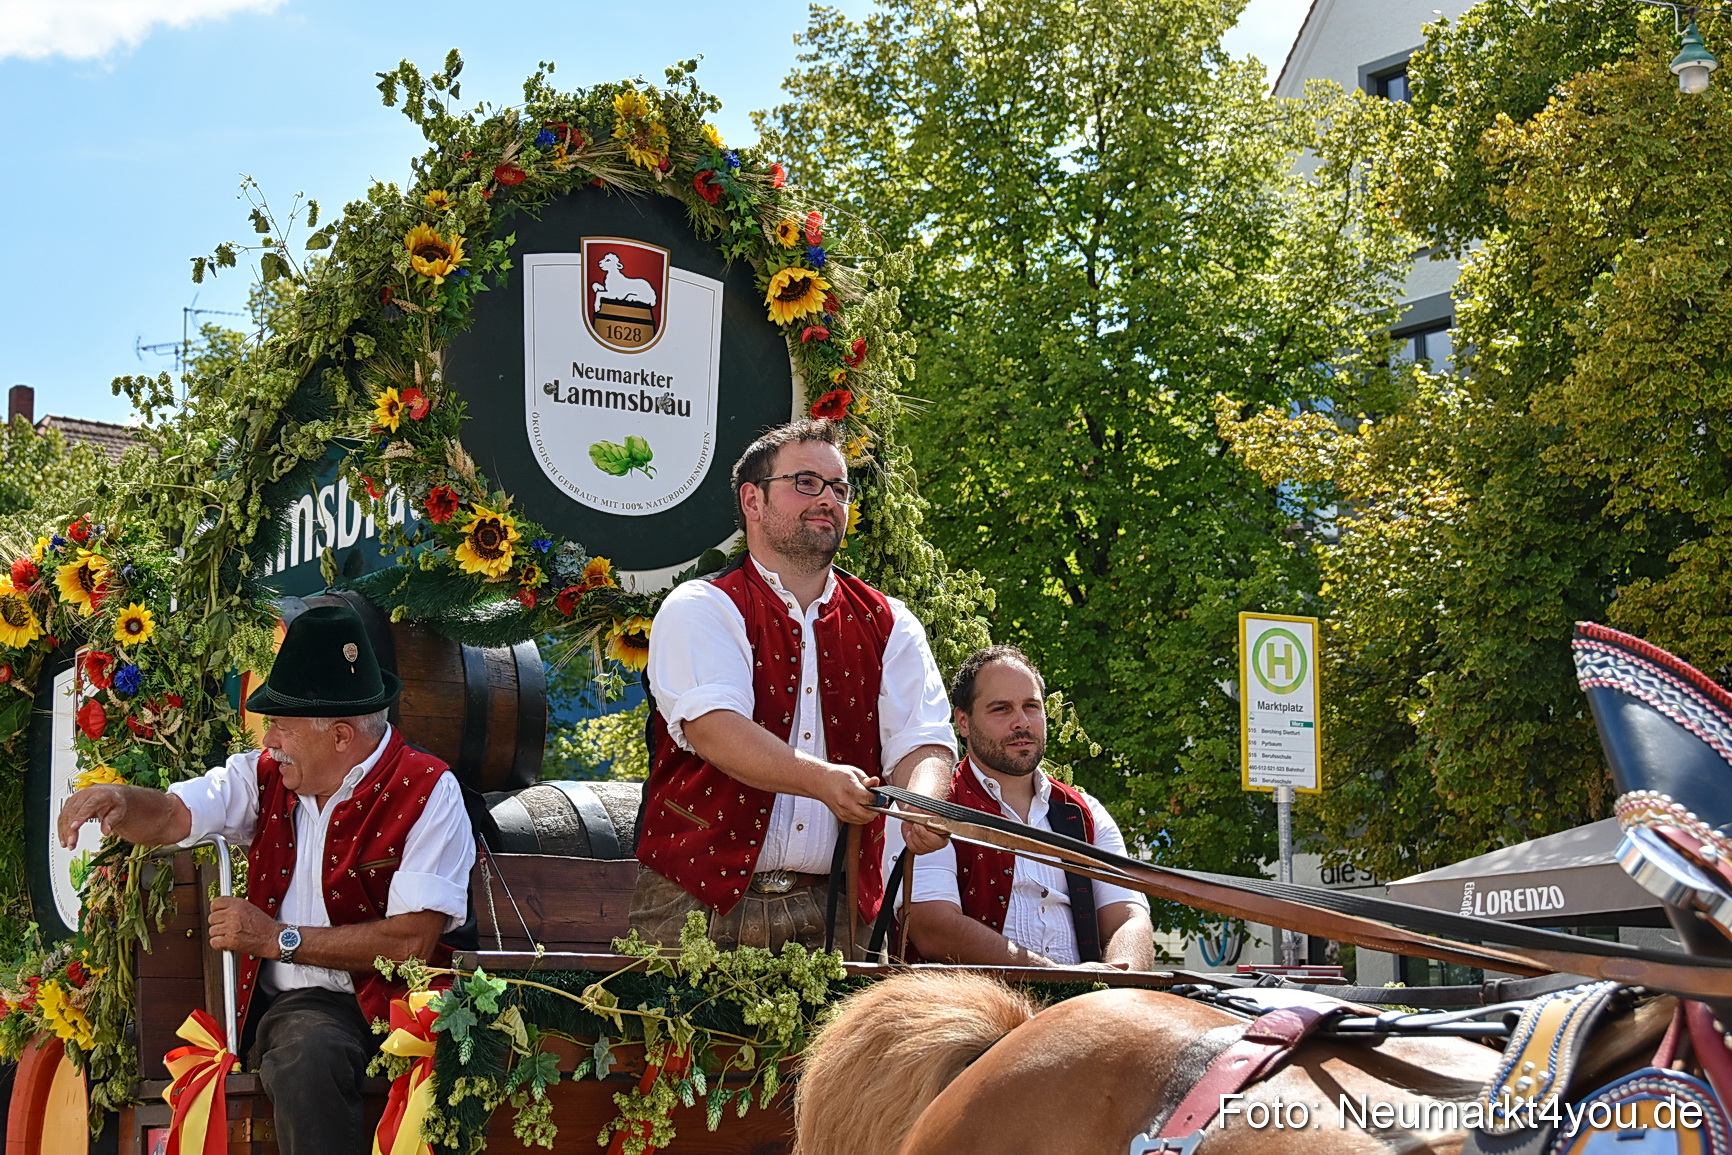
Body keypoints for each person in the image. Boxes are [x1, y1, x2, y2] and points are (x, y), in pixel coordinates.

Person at [56, 604, 476, 1155]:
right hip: (310, 1011)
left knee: (444, 1063)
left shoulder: (429, 788)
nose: (269, 738)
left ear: (342, 736)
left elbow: (410, 943)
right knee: (307, 1047)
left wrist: (275, 938)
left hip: (409, 1004)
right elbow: (174, 816)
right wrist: (118, 799)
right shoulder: (262, 775)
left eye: (282, 723)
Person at [632, 418, 956, 954]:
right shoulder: (703, 606)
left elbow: (922, 739)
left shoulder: (890, 621)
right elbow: (716, 730)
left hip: (839, 905)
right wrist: (823, 780)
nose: (827, 499)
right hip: (695, 899)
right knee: (681, 1044)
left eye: (840, 488)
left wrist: (924, 802)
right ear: (752, 501)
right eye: (806, 482)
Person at [882, 645, 1154, 969]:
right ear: (963, 722)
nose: (1021, 722)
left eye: (1031, 706)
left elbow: (1129, 917)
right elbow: (933, 927)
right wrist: (1059, 979)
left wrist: (1120, 982)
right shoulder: (929, 807)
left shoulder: (1084, 813)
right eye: (1002, 709)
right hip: (969, 1011)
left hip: (1086, 1008)